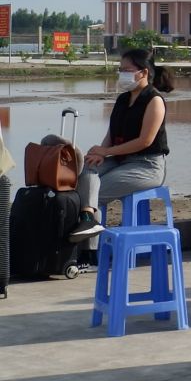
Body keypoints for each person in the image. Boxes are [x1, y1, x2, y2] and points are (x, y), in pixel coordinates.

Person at [70, 49, 175, 241]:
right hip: (120, 159)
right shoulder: (122, 99)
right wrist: (101, 154)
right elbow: (111, 133)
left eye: (127, 69)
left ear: (143, 72)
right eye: (120, 69)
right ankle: (88, 223)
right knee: (86, 173)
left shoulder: (154, 100)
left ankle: (91, 249)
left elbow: (145, 141)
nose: (122, 74)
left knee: (94, 193)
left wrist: (107, 151)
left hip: (147, 166)